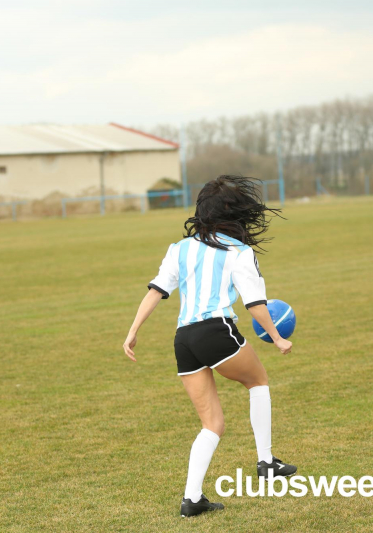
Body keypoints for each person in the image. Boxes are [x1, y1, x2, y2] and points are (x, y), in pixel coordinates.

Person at [122, 175, 296, 518]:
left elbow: (156, 290)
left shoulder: (179, 248)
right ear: (236, 214)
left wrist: (132, 331)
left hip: (183, 339)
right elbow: (255, 304)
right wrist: (276, 338)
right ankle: (265, 463)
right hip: (216, 330)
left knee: (212, 423)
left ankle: (192, 499)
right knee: (258, 381)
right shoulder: (239, 252)